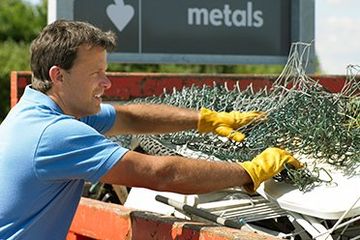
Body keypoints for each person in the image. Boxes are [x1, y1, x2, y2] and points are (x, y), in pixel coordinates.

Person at [0, 19, 302, 239]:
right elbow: (159, 173)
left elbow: (129, 117)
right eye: (96, 74)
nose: (107, 84)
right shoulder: (55, 134)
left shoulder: (35, 113)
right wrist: (248, 171)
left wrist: (206, 120)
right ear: (59, 76)